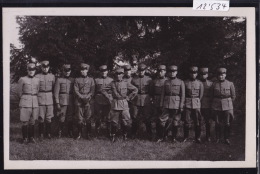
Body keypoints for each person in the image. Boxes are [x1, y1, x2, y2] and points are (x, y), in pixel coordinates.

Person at [101, 68, 138, 142]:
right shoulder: (112, 83)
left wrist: (129, 97)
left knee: (125, 121)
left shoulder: (126, 83)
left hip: (124, 103)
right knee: (114, 122)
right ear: (115, 75)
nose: (118, 76)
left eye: (120, 74)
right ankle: (113, 136)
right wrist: (108, 97)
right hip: (115, 104)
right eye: (117, 74)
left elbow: (135, 90)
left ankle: (125, 135)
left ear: (122, 74)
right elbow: (103, 90)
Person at [158, 65, 185, 143]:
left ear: (176, 72)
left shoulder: (180, 82)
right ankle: (162, 137)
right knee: (162, 121)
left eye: (174, 72)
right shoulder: (166, 82)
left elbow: (182, 95)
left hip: (176, 104)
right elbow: (163, 94)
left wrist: (181, 105)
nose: (172, 73)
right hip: (166, 103)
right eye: (171, 72)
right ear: (169, 73)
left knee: (175, 121)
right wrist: (161, 104)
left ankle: (174, 138)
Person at [211, 67, 236, 145]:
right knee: (217, 122)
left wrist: (228, 103)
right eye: (219, 75)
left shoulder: (230, 83)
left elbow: (233, 96)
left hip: (227, 105)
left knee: (227, 123)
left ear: (225, 75)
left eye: (222, 75)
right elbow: (212, 95)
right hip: (216, 105)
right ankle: (217, 138)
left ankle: (226, 138)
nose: (220, 76)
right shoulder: (214, 84)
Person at [17, 63, 40, 144]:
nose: (31, 71)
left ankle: (31, 137)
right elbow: (19, 92)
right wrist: (24, 99)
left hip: (34, 102)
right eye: (30, 70)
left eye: (33, 70)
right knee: (25, 121)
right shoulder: (22, 79)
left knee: (33, 121)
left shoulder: (37, 80)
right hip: (25, 101)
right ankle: (25, 138)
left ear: (35, 71)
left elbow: (38, 90)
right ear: (27, 70)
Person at [131, 63, 153, 140]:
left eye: (143, 70)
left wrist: (150, 98)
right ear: (138, 71)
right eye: (140, 70)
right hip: (136, 99)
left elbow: (151, 90)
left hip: (146, 99)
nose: (141, 72)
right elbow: (131, 89)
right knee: (134, 116)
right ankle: (133, 133)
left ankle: (149, 134)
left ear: (145, 71)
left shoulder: (149, 79)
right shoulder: (134, 79)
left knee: (147, 117)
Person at [74, 63, 95, 140]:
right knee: (79, 118)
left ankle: (88, 134)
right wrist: (82, 97)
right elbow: (76, 90)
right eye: (82, 70)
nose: (83, 71)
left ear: (87, 70)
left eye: (85, 70)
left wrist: (88, 97)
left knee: (88, 117)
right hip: (79, 100)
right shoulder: (77, 79)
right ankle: (79, 134)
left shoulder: (91, 80)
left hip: (88, 100)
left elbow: (92, 91)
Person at [183, 66, 204, 143]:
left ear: (197, 74)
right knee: (186, 120)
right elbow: (184, 93)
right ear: (189, 74)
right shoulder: (185, 82)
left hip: (196, 103)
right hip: (187, 102)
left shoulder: (200, 83)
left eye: (194, 73)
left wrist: (197, 101)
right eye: (191, 73)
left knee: (197, 121)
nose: (193, 75)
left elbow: (201, 95)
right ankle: (185, 137)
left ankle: (197, 137)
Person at [35, 60, 55, 140]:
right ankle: (41, 134)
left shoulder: (52, 76)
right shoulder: (37, 76)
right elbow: (36, 88)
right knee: (41, 117)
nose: (45, 69)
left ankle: (48, 133)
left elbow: (53, 87)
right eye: (44, 67)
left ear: (49, 67)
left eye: (47, 67)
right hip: (41, 98)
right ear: (41, 68)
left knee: (49, 117)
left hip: (49, 98)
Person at [54, 64, 74, 138]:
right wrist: (57, 103)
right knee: (61, 116)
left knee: (70, 117)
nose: (67, 72)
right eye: (65, 71)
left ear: (70, 71)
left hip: (71, 100)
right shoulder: (59, 80)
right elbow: (56, 93)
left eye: (68, 71)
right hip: (62, 100)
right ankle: (60, 132)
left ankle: (70, 132)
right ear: (63, 71)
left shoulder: (72, 80)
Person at [94, 65, 113, 137]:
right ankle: (97, 131)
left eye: (105, 71)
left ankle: (109, 131)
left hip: (108, 100)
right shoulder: (96, 80)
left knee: (108, 116)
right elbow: (94, 90)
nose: (103, 72)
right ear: (100, 72)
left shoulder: (111, 80)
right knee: (98, 116)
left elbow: (112, 90)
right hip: (99, 100)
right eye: (102, 71)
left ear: (107, 71)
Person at [151, 65, 168, 141]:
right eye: (159, 71)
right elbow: (151, 92)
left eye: (162, 71)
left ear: (165, 71)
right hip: (156, 101)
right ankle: (158, 135)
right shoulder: (154, 81)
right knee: (157, 118)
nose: (160, 72)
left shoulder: (168, 81)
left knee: (165, 119)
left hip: (165, 101)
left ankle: (166, 135)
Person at [199, 67, 213, 142]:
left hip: (207, 104)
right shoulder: (197, 82)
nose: (203, 76)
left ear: (207, 75)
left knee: (207, 121)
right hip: (198, 104)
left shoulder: (210, 83)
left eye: (205, 74)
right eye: (202, 74)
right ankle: (198, 136)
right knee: (198, 120)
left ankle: (208, 136)